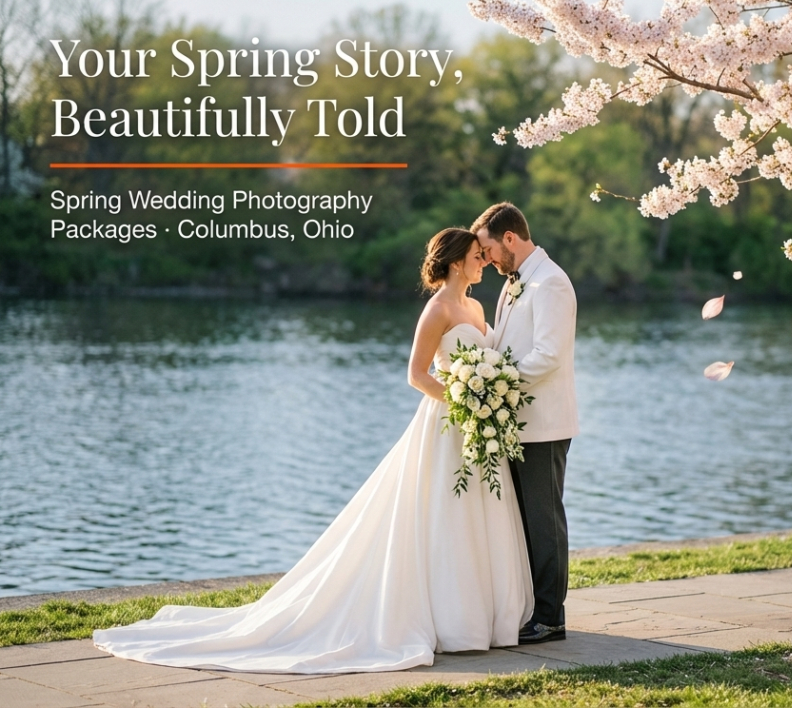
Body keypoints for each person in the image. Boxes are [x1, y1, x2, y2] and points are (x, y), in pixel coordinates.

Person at [91, 228, 534, 673]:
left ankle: (483, 621)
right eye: (478, 255)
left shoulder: (476, 306)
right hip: (445, 423)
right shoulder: (436, 310)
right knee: (443, 517)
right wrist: (464, 399)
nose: (484, 261)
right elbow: (417, 375)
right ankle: (451, 624)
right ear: (458, 262)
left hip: (478, 428)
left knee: (478, 514)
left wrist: (489, 397)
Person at [471, 202, 578, 645]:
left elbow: (548, 356)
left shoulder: (551, 282)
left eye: (489, 249)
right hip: (516, 422)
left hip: (544, 424)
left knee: (544, 518)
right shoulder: (513, 284)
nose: (489, 259)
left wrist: (495, 380)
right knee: (523, 521)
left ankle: (551, 617)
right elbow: (504, 343)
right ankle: (532, 608)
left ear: (510, 238)